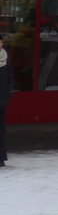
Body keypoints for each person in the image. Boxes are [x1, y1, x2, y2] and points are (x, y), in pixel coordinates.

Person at [0, 34, 12, 168]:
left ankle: (1, 157)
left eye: (1, 42)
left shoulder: (5, 57)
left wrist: (8, 94)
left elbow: (10, 78)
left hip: (2, 99)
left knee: (1, 128)